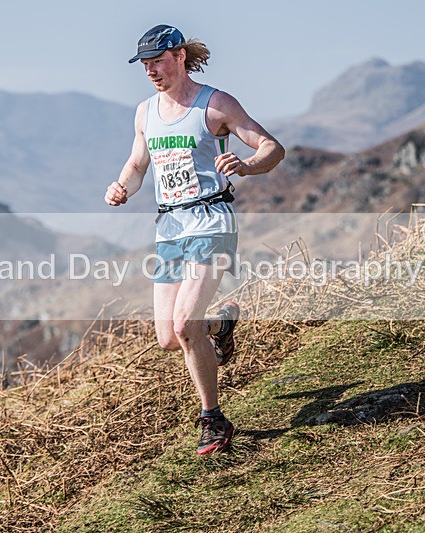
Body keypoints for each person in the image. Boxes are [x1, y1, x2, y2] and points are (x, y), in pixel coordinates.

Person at [105, 24, 284, 455]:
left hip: (210, 222)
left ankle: (213, 420)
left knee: (186, 326)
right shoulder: (145, 111)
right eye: (145, 65)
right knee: (168, 338)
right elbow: (137, 162)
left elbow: (271, 148)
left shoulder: (215, 104)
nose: (151, 72)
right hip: (169, 230)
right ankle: (221, 326)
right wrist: (122, 186)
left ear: (180, 56)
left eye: (158, 62)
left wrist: (246, 165)